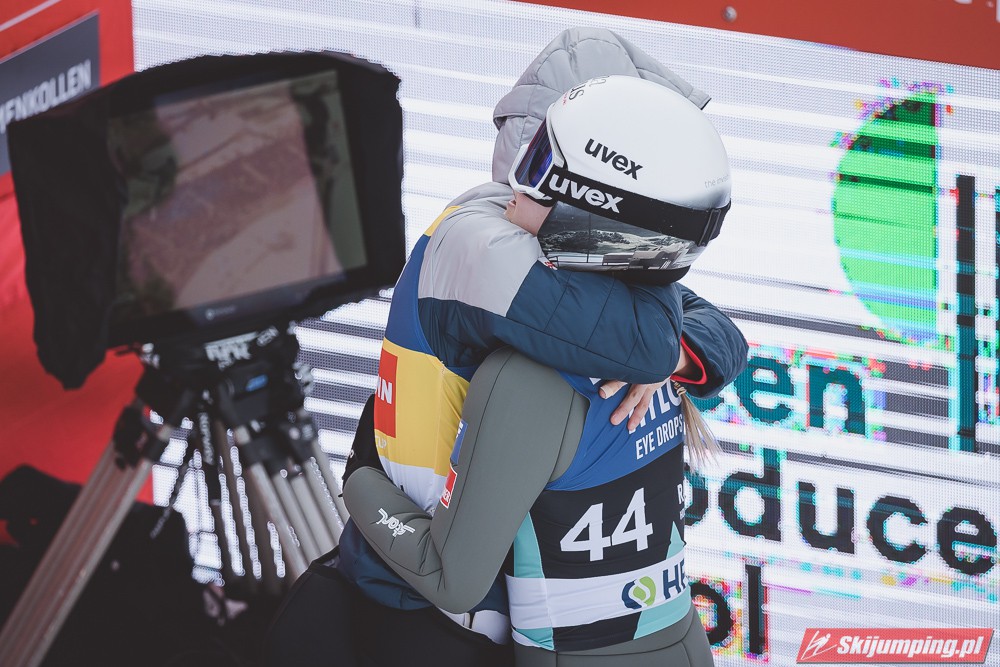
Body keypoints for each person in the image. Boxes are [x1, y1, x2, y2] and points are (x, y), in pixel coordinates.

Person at [265, 28, 746, 666]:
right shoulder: (481, 240)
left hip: (508, 615)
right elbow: (641, 334)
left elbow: (716, 334)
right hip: (419, 608)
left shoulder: (592, 266)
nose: (525, 183)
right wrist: (360, 482)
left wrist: (677, 357)